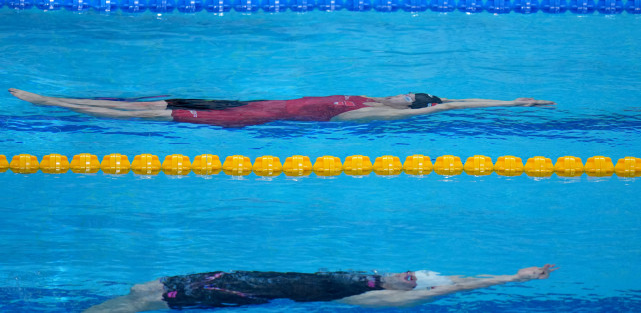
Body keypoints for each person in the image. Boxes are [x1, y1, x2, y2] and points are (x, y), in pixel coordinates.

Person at [82, 265, 558, 312]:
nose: (410, 277)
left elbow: (445, 292)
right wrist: (508, 273)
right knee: (140, 288)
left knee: (139, 301)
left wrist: (509, 281)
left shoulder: (373, 296)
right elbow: (454, 279)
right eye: (414, 272)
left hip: (234, 293)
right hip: (226, 276)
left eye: (417, 282)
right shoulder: (374, 275)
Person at [9, 88, 555, 128]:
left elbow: (442, 109)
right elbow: (454, 99)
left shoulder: (378, 114)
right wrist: (510, 97)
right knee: (149, 102)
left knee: (145, 117)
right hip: (248, 102)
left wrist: (509, 106)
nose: (402, 94)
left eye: (410, 98)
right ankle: (55, 97)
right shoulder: (376, 96)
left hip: (249, 118)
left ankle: (50, 104)